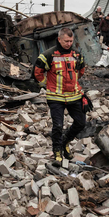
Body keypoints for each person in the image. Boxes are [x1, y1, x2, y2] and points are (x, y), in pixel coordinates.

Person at [34, 28, 86, 163]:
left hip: (74, 96)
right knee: (57, 125)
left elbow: (81, 70)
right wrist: (46, 85)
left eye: (71, 41)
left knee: (81, 123)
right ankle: (57, 150)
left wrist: (74, 84)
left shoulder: (77, 55)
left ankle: (65, 142)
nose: (69, 44)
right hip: (55, 97)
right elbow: (37, 73)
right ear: (59, 39)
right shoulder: (48, 55)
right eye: (66, 41)